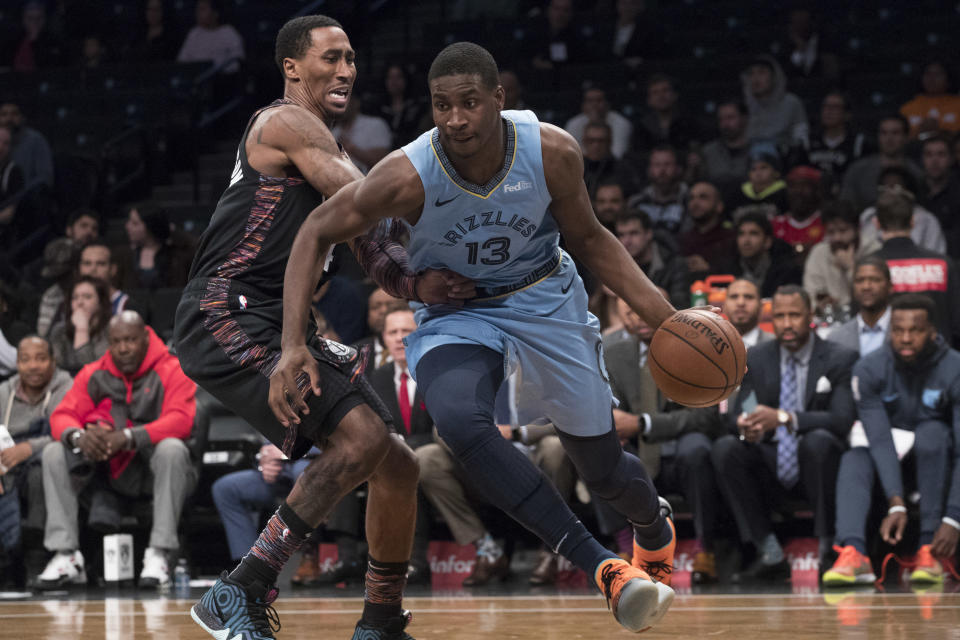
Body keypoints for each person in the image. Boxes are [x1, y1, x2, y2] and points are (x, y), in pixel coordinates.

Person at [271, 41, 682, 634]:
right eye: (441, 105)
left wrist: (667, 320)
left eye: (469, 103)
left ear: (499, 98)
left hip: (544, 298)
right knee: (459, 422)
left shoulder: (551, 150)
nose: (455, 119)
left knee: (605, 472)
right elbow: (314, 230)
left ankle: (653, 528)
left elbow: (592, 240)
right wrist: (292, 344)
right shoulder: (409, 172)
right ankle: (605, 569)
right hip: (459, 310)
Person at [173, 16, 471, 640]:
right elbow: (367, 200)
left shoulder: (324, 143)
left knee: (398, 466)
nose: (346, 70)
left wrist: (416, 284)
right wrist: (462, 210)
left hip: (275, 316)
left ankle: (381, 621)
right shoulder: (283, 120)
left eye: (351, 59)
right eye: (331, 58)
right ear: (291, 68)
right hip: (225, 310)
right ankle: (240, 589)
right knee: (361, 440)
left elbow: (370, 242)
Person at [38, 312, 197, 589]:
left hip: (155, 468)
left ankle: (159, 553)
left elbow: (181, 420)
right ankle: (66, 555)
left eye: (131, 340)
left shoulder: (172, 368)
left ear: (146, 338)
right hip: (105, 469)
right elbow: (61, 416)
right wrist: (79, 437)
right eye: (117, 341)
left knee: (172, 448)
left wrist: (128, 436)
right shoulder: (95, 372)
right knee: (54, 451)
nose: (123, 348)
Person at [712, 285, 858, 580]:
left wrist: (784, 418)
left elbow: (841, 420)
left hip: (818, 466)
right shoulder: (756, 357)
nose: (787, 323)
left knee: (817, 443)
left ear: (810, 316)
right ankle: (769, 551)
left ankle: (828, 548)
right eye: (780, 316)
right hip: (771, 460)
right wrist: (747, 426)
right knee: (727, 447)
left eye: (794, 315)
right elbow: (742, 410)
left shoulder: (839, 358)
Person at [823, 294, 960, 585]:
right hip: (888, 467)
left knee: (932, 431)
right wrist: (895, 502)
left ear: (933, 332)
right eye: (898, 330)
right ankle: (854, 553)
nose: (906, 338)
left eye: (916, 330)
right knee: (854, 457)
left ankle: (929, 548)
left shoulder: (955, 368)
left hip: (939, 463)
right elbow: (879, 439)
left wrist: (953, 518)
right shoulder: (869, 368)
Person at [604, 296, 727, 583]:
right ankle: (623, 547)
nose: (639, 317)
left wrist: (644, 424)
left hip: (678, 448)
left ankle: (704, 548)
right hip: (636, 453)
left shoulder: (695, 351)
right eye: (631, 311)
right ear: (623, 318)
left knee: (697, 448)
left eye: (645, 309)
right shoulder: (612, 354)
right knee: (597, 449)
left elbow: (705, 416)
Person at [0, 336, 72, 586]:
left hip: (52, 460)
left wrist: (29, 448)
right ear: (17, 363)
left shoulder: (65, 385)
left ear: (53, 361)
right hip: (6, 464)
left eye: (41, 359)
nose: (33, 366)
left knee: (39, 473)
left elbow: (66, 431)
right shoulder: (4, 392)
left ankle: (36, 557)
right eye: (25, 360)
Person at [869, 187, 960, 347]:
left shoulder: (868, 269)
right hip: (940, 362)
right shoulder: (943, 264)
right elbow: (957, 324)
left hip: (887, 364)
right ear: (913, 222)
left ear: (876, 223)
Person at [803, 200, 877, 314]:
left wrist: (850, 268)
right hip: (829, 321)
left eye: (843, 231)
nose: (837, 238)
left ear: (857, 229)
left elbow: (873, 297)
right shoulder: (819, 253)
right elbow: (810, 295)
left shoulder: (873, 251)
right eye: (831, 232)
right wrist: (819, 306)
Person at [841, 115, 923, 213]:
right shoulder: (858, 170)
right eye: (884, 133)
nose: (889, 138)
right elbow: (846, 206)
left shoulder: (917, 173)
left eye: (895, 133)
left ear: (906, 137)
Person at [718, 208, 802, 298]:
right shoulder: (725, 271)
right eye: (741, 234)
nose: (746, 240)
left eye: (753, 233)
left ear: (767, 242)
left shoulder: (786, 272)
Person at [858, 167, 945, 254]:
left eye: (895, 187)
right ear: (877, 222)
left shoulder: (927, 219)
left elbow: (935, 256)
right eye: (883, 187)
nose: (888, 192)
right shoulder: (868, 216)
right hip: (875, 265)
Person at [615, 209, 690, 308]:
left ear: (649, 234)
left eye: (633, 233)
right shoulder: (614, 265)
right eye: (621, 235)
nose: (626, 241)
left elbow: (681, 307)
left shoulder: (674, 265)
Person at [826, 256, 892, 356]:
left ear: (890, 286)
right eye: (860, 280)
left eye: (875, 280)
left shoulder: (907, 333)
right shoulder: (835, 339)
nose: (866, 286)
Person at [801, 92, 866, 191]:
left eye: (835, 107)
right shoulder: (808, 141)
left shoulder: (858, 143)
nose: (828, 111)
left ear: (847, 114)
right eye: (825, 106)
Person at [49, 276, 111, 377]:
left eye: (87, 297)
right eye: (75, 297)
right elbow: (55, 371)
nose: (80, 302)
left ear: (100, 302)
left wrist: (82, 330)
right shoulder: (59, 331)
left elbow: (94, 374)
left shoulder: (110, 331)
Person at [742, 55, 809, 148]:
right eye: (751, 73)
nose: (755, 79)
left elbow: (802, 140)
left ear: (774, 77)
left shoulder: (792, 103)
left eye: (762, 72)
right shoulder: (743, 107)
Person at [626, 144, 689, 235]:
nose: (662, 170)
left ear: (678, 168)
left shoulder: (689, 200)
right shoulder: (636, 203)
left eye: (667, 164)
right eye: (657, 165)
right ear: (649, 170)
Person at [679, 181, 735, 279]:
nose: (695, 203)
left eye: (703, 197)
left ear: (719, 206)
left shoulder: (732, 239)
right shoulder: (682, 239)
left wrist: (709, 270)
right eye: (691, 198)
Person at [699, 99, 751, 204]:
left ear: (744, 119)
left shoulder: (757, 151)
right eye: (721, 119)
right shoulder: (708, 152)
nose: (725, 124)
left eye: (730, 118)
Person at [632, 75, 701, 153]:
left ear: (675, 95)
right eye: (655, 92)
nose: (661, 96)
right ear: (649, 100)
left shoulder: (689, 124)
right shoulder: (641, 128)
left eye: (665, 90)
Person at [918, 134, 960, 259]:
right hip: (918, 260)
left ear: (951, 159)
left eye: (941, 154)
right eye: (929, 155)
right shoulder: (913, 192)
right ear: (922, 159)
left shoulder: (957, 193)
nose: (935, 161)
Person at [564, 86, 633, 160]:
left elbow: (618, 154)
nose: (594, 105)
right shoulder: (573, 124)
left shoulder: (622, 124)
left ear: (607, 104)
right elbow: (572, 155)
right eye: (590, 101)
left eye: (599, 100)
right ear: (583, 105)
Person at [176, 0, 244, 71]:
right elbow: (182, 61)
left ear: (215, 13)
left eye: (202, 9)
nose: (197, 13)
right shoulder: (194, 33)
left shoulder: (228, 32)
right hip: (195, 78)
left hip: (222, 78)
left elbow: (237, 61)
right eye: (197, 10)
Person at [0, 101, 54, 189]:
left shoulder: (36, 140)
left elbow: (45, 178)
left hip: (27, 198)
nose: (9, 119)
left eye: (14, 114)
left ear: (22, 118)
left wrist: (18, 197)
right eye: (4, 114)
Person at [900, 61, 960, 139]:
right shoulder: (907, 108)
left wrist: (940, 130)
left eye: (937, 74)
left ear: (948, 78)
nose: (932, 78)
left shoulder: (958, 105)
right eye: (928, 74)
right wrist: (920, 130)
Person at [773, 166, 824, 258]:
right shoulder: (775, 224)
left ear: (816, 190)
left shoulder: (826, 223)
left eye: (804, 186)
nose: (798, 191)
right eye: (793, 186)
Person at [333, 97, 393, 175]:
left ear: (356, 103)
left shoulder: (375, 125)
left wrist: (350, 147)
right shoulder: (332, 133)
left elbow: (382, 160)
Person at [728, 142, 788, 214]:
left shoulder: (785, 194)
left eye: (764, 168)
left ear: (776, 172)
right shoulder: (738, 194)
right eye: (753, 169)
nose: (758, 173)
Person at [376, 64, 426, 148]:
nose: (394, 81)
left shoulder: (417, 107)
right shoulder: (377, 108)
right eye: (390, 77)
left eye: (398, 77)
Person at [78, 242, 132, 316]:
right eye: (87, 263)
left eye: (100, 264)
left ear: (113, 269)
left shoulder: (127, 305)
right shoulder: (72, 303)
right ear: (79, 268)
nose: (93, 269)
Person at [723, 278, 773, 349]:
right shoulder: (710, 345)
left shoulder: (778, 346)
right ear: (724, 306)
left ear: (761, 307)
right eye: (734, 297)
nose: (741, 303)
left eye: (749, 297)